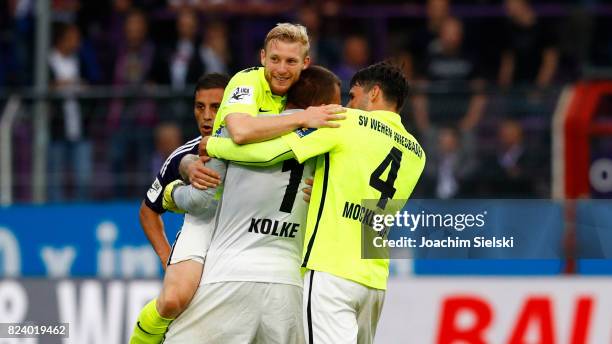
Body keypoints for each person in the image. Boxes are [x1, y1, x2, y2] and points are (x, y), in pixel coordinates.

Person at [201, 62, 426, 343]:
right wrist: (323, 189)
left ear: (374, 93)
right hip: (374, 277)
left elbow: (272, 154)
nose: (348, 103)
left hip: (331, 271)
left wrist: (213, 145)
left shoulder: (347, 121)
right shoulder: (417, 152)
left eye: (353, 96)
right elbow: (364, 195)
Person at [163, 65, 342, 344]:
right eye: (336, 103)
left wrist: (173, 190)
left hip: (230, 275)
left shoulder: (242, 131)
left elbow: (201, 193)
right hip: (288, 285)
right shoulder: (329, 148)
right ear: (321, 106)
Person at [129, 73, 229, 344]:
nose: (207, 116)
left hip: (240, 243)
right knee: (173, 300)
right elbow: (147, 211)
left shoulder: (251, 148)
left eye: (216, 107)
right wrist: (166, 259)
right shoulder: (180, 157)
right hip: (199, 234)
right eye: (200, 107)